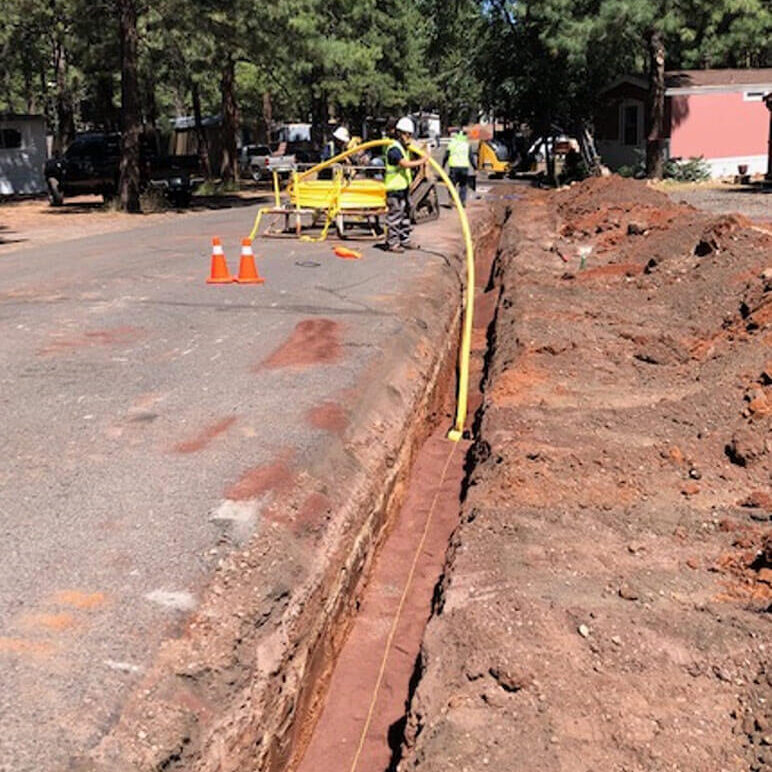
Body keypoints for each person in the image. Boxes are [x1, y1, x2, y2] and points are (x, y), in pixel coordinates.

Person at [383, 116, 427, 253]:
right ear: (400, 133)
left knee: (406, 214)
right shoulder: (394, 149)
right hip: (394, 189)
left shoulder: (404, 148)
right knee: (395, 216)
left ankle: (405, 239)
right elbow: (404, 164)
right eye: (407, 134)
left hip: (404, 188)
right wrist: (422, 161)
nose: (409, 137)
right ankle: (393, 243)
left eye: (410, 135)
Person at [442, 129, 475, 206]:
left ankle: (452, 199)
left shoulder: (452, 144)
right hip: (464, 168)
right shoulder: (467, 145)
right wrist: (475, 167)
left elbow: (446, 156)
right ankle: (462, 202)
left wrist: (443, 165)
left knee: (451, 184)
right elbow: (471, 157)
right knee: (463, 185)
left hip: (454, 167)